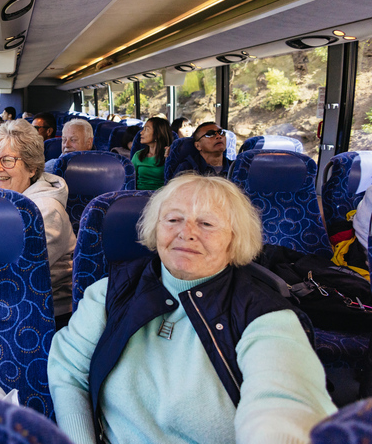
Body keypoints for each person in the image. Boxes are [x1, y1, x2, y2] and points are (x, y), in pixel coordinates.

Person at [48, 174, 336, 444]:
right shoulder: (109, 292)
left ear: (234, 238)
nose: (186, 233)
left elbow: (285, 400)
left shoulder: (264, 316)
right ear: (155, 228)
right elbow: (69, 373)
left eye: (207, 224)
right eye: (173, 219)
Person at [0, 119, 76, 328]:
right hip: (11, 302)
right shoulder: (5, 198)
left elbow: (11, 273)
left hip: (46, 314)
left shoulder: (45, 211)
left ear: (32, 169)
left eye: (8, 160)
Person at [130, 117, 172, 190]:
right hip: (139, 196)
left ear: (158, 134)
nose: (141, 132)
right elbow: (130, 180)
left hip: (161, 196)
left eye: (146, 129)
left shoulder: (169, 155)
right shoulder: (138, 155)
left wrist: (169, 158)